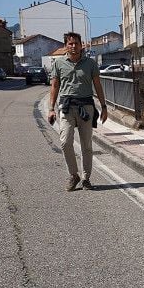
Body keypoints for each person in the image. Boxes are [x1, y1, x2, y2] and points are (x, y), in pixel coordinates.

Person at [47, 32, 108, 191]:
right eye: (70, 43)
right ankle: (74, 175)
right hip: (67, 107)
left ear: (81, 45)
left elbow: (98, 85)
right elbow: (54, 86)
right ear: (66, 46)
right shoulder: (59, 64)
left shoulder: (90, 64)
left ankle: (86, 178)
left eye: (76, 43)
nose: (73, 46)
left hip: (86, 107)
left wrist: (104, 107)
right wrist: (50, 109)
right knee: (65, 142)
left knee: (86, 145)